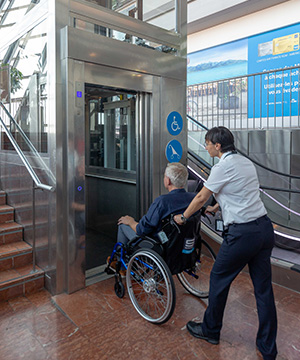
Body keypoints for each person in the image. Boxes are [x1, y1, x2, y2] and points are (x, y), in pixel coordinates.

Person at [174, 126, 277, 360]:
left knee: (219, 279)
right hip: (263, 229)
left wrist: (184, 217)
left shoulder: (223, 166)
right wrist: (217, 206)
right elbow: (242, 190)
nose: (206, 146)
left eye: (208, 142)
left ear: (218, 146)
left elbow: (201, 196)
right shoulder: (244, 162)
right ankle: (268, 348)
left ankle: (210, 330)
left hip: (243, 234)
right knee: (263, 290)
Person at [107, 162, 196, 270]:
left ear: (167, 181)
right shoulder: (193, 199)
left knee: (123, 225)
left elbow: (141, 230)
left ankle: (121, 267)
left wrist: (130, 221)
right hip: (181, 245)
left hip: (159, 245)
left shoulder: (162, 202)